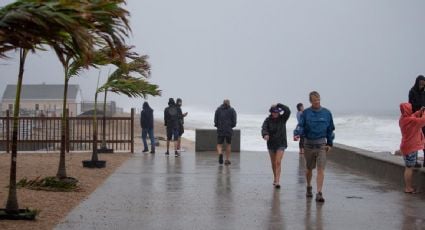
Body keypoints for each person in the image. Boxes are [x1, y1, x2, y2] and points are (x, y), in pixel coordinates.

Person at [294, 91, 335, 202]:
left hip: (322, 145)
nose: (317, 101)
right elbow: (301, 126)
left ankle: (319, 193)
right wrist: (297, 134)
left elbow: (330, 130)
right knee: (309, 169)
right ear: (310, 101)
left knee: (321, 169)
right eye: (314, 100)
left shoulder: (327, 113)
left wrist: (330, 143)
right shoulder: (306, 113)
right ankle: (308, 186)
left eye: (318, 99)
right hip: (308, 145)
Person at [261, 103, 291, 189]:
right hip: (271, 144)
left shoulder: (283, 119)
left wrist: (279, 104)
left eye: (277, 112)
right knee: (273, 163)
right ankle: (275, 178)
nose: (275, 113)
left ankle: (277, 181)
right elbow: (264, 128)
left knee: (278, 162)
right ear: (271, 112)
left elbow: (288, 110)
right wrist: (265, 135)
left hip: (281, 143)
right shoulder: (267, 120)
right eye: (274, 112)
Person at [399, 103, 425, 194]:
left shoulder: (402, 119)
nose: (411, 109)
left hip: (406, 146)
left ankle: (408, 187)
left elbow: (413, 117)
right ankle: (408, 188)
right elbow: (423, 121)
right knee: (409, 168)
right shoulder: (410, 120)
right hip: (410, 147)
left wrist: (419, 112)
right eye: (410, 108)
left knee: (408, 166)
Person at [408, 75, 425, 168]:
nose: (422, 85)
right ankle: (414, 161)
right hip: (415, 119)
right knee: (415, 140)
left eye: (423, 83)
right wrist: (419, 109)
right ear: (417, 82)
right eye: (421, 82)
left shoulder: (424, 93)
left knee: (424, 139)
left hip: (423, 119)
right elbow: (411, 106)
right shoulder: (412, 91)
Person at [214, 99, 237, 165]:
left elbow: (215, 120)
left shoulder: (218, 110)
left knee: (219, 145)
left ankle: (220, 154)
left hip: (220, 129)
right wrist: (231, 126)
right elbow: (234, 122)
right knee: (228, 144)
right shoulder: (232, 110)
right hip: (228, 130)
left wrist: (217, 126)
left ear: (223, 103)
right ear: (229, 103)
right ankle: (227, 160)